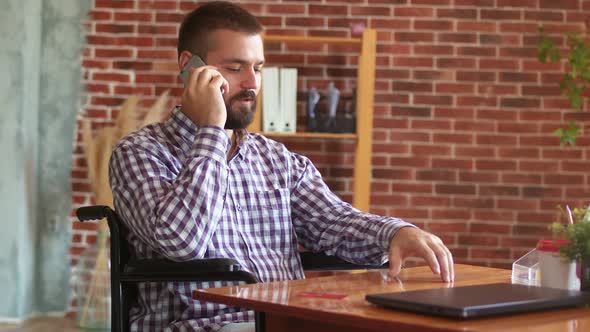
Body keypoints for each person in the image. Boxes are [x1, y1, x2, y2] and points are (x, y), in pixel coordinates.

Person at [109, 1, 454, 331]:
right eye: (235, 67)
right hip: (200, 327)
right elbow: (181, 241)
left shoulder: (278, 160)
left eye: (257, 68)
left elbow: (334, 222)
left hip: (282, 322)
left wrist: (397, 232)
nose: (253, 83)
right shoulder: (139, 153)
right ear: (190, 66)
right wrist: (211, 130)